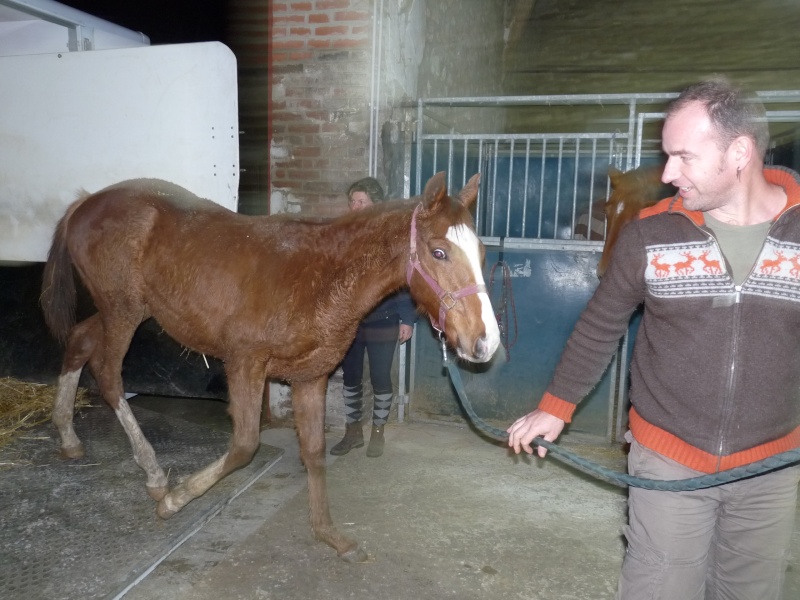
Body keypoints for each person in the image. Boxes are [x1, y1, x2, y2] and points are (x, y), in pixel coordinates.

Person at [507, 77, 800, 599]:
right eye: (667, 156)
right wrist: (556, 406)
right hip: (668, 456)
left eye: (684, 156)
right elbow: (601, 323)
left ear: (739, 152)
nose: (668, 173)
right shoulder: (650, 233)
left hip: (771, 465)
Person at [330, 177, 418, 458]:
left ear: (375, 204)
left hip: (385, 318)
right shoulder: (344, 236)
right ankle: (353, 432)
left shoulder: (391, 236)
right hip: (351, 321)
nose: (355, 207)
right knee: (351, 377)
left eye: (362, 202)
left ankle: (378, 433)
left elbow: (404, 280)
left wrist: (407, 318)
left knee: (381, 376)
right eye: (352, 202)